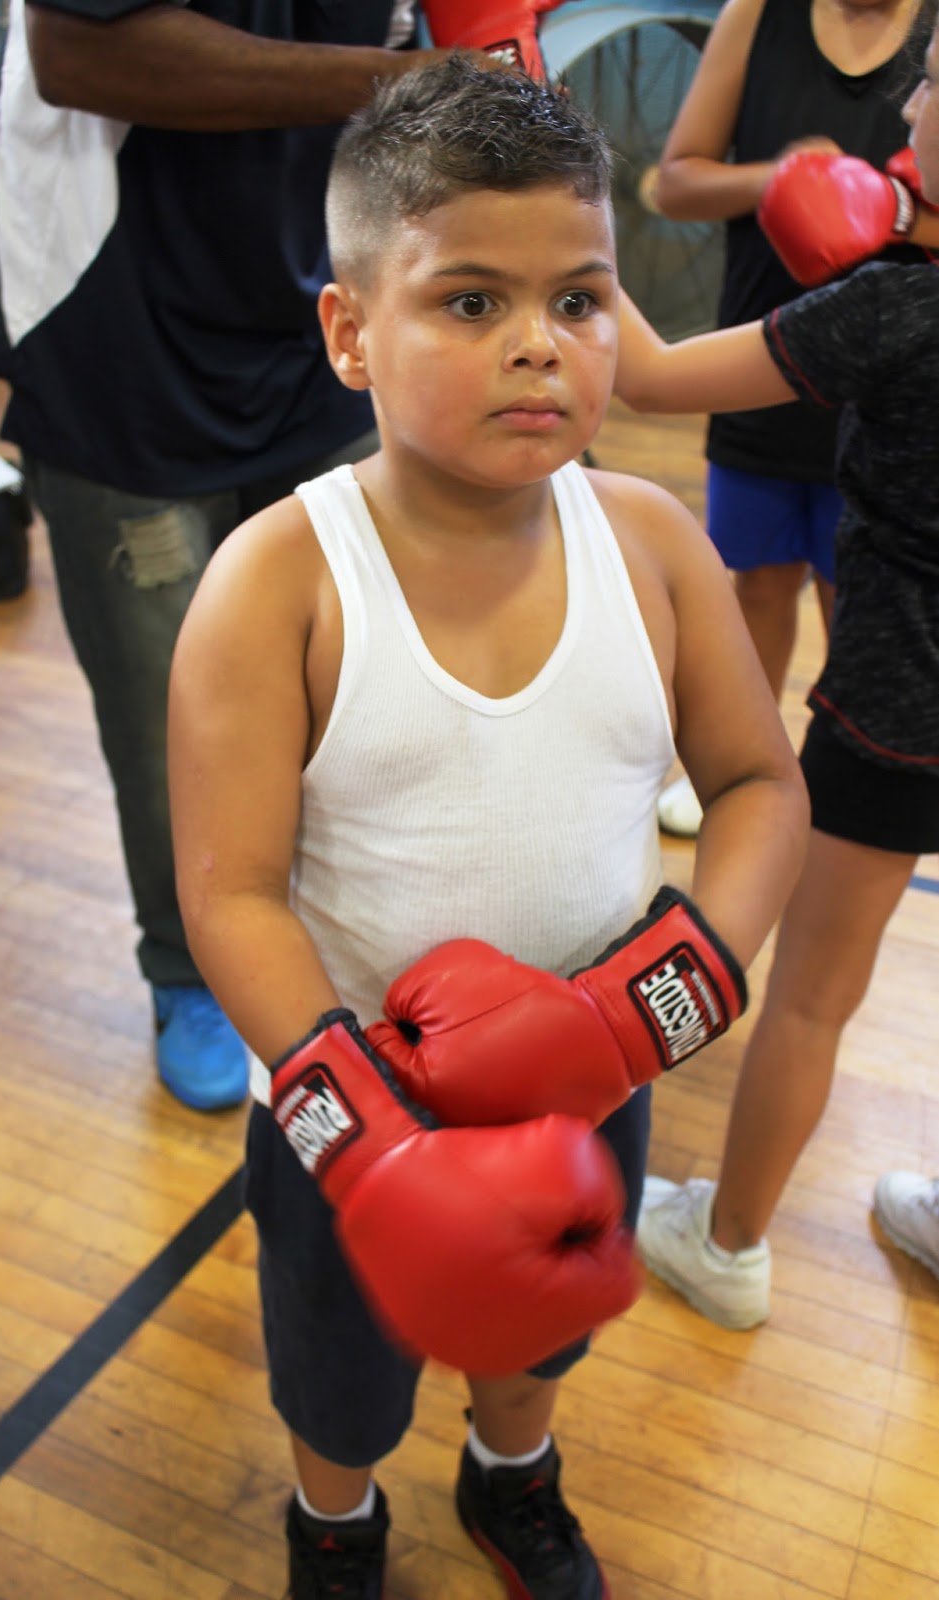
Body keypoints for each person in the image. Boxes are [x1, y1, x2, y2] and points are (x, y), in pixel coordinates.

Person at [167, 58, 808, 1599]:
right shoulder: (280, 581)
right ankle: (335, 1520)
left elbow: (756, 786)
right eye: (467, 302)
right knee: (340, 1382)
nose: (538, 345)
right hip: (353, 1100)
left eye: (579, 301)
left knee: (542, 1337)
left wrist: (632, 1022)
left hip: (595, 1077)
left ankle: (513, 1475)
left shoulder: (650, 544)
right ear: (348, 331)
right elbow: (232, 896)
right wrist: (376, 1148)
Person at [0, 0, 489, 1112]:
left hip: (312, 304)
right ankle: (187, 969)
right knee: (171, 709)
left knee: (368, 666)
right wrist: (407, 81)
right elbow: (73, 52)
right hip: (118, 330)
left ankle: (342, 941)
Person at [611, 12, 939, 1327]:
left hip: (900, 706)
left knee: (808, 996)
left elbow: (647, 376)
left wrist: (569, 216)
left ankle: (728, 1245)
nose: (911, 99)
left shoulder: (896, 310)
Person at [651, 0, 939, 838]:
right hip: (762, 347)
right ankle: (735, 769)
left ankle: (835, 775)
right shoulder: (760, 14)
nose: (914, 102)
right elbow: (676, 182)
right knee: (755, 583)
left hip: (888, 381)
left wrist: (882, 204)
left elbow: (643, 378)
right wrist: (787, 180)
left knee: (857, 587)